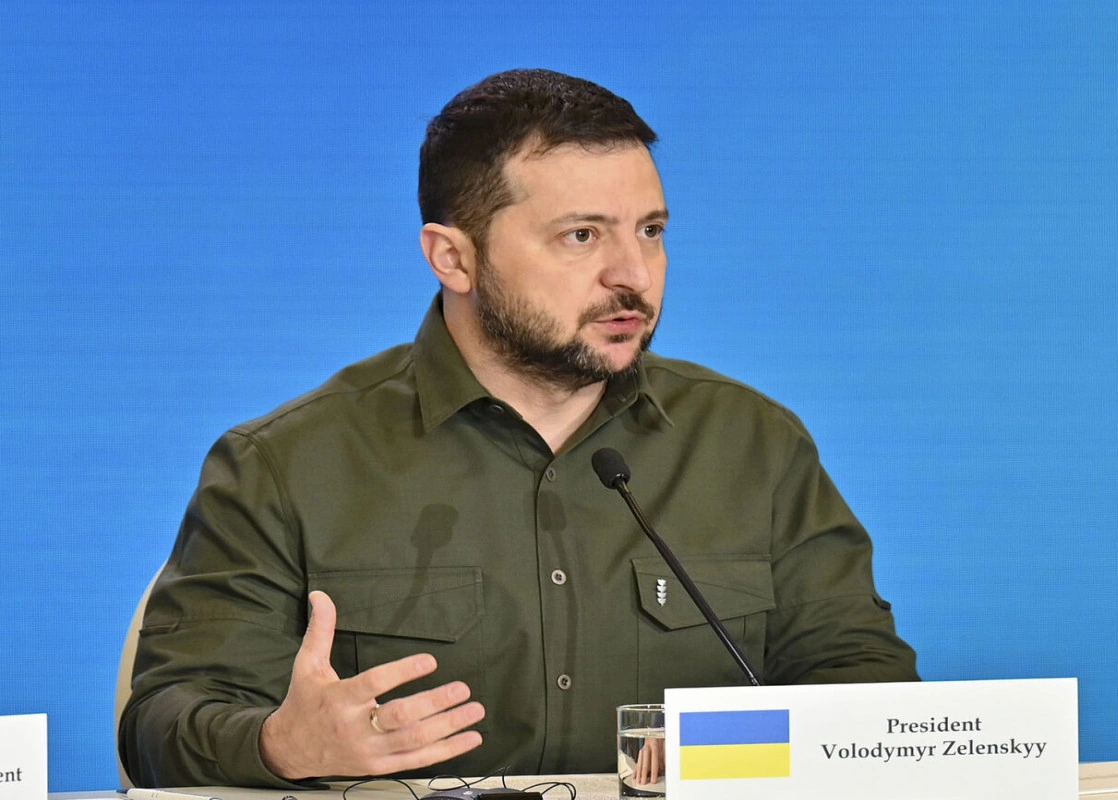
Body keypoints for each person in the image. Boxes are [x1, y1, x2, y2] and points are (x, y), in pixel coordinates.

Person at [119, 68, 919, 789]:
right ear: (453, 258)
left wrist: (728, 751)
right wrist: (281, 745)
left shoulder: (753, 446)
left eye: (650, 230)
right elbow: (159, 725)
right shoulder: (286, 464)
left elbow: (867, 695)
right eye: (582, 236)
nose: (632, 275)